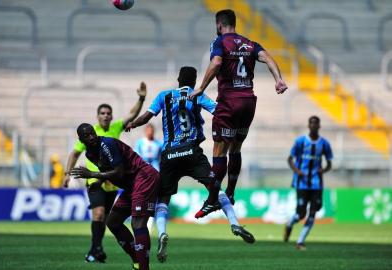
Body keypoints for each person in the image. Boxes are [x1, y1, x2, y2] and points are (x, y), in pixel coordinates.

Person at [126, 66, 255, 264]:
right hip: (192, 152)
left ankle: (162, 233)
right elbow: (219, 112)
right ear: (195, 81)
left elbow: (147, 117)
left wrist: (133, 124)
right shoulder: (197, 95)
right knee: (215, 188)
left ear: (178, 79)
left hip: (170, 154)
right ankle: (234, 223)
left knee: (163, 198)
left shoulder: (164, 95)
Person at [189, 9, 288, 218]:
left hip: (229, 101)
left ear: (219, 25)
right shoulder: (250, 43)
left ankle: (212, 199)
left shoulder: (220, 43)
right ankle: (231, 192)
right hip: (248, 102)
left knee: (219, 150)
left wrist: (201, 88)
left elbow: (216, 63)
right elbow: (268, 58)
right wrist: (278, 79)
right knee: (236, 147)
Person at [63, 82, 147, 263]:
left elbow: (132, 114)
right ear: (97, 116)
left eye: (108, 113)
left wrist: (141, 98)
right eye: (102, 113)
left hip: (112, 181)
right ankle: (95, 248)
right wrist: (67, 173)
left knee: (107, 218)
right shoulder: (89, 133)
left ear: (111, 116)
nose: (106, 116)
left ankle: (98, 249)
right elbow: (75, 153)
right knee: (99, 214)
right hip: (94, 181)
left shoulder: (115, 128)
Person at [70, 123, 159, 270]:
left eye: (92, 133)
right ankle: (137, 261)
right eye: (87, 136)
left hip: (143, 177)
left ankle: (144, 267)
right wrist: (99, 181)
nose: (92, 137)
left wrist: (92, 175)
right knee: (113, 222)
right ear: (81, 140)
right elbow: (109, 170)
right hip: (132, 184)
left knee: (137, 223)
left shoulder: (107, 144)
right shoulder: (90, 154)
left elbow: (119, 172)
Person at [283, 116, 333, 250]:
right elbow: (290, 159)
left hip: (316, 183)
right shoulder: (300, 141)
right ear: (308, 125)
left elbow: (329, 164)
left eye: (316, 124)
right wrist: (297, 170)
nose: (314, 126)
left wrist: (323, 170)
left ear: (319, 126)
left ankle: (300, 241)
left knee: (313, 212)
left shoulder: (324, 144)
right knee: (300, 214)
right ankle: (289, 224)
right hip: (302, 183)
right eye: (312, 123)